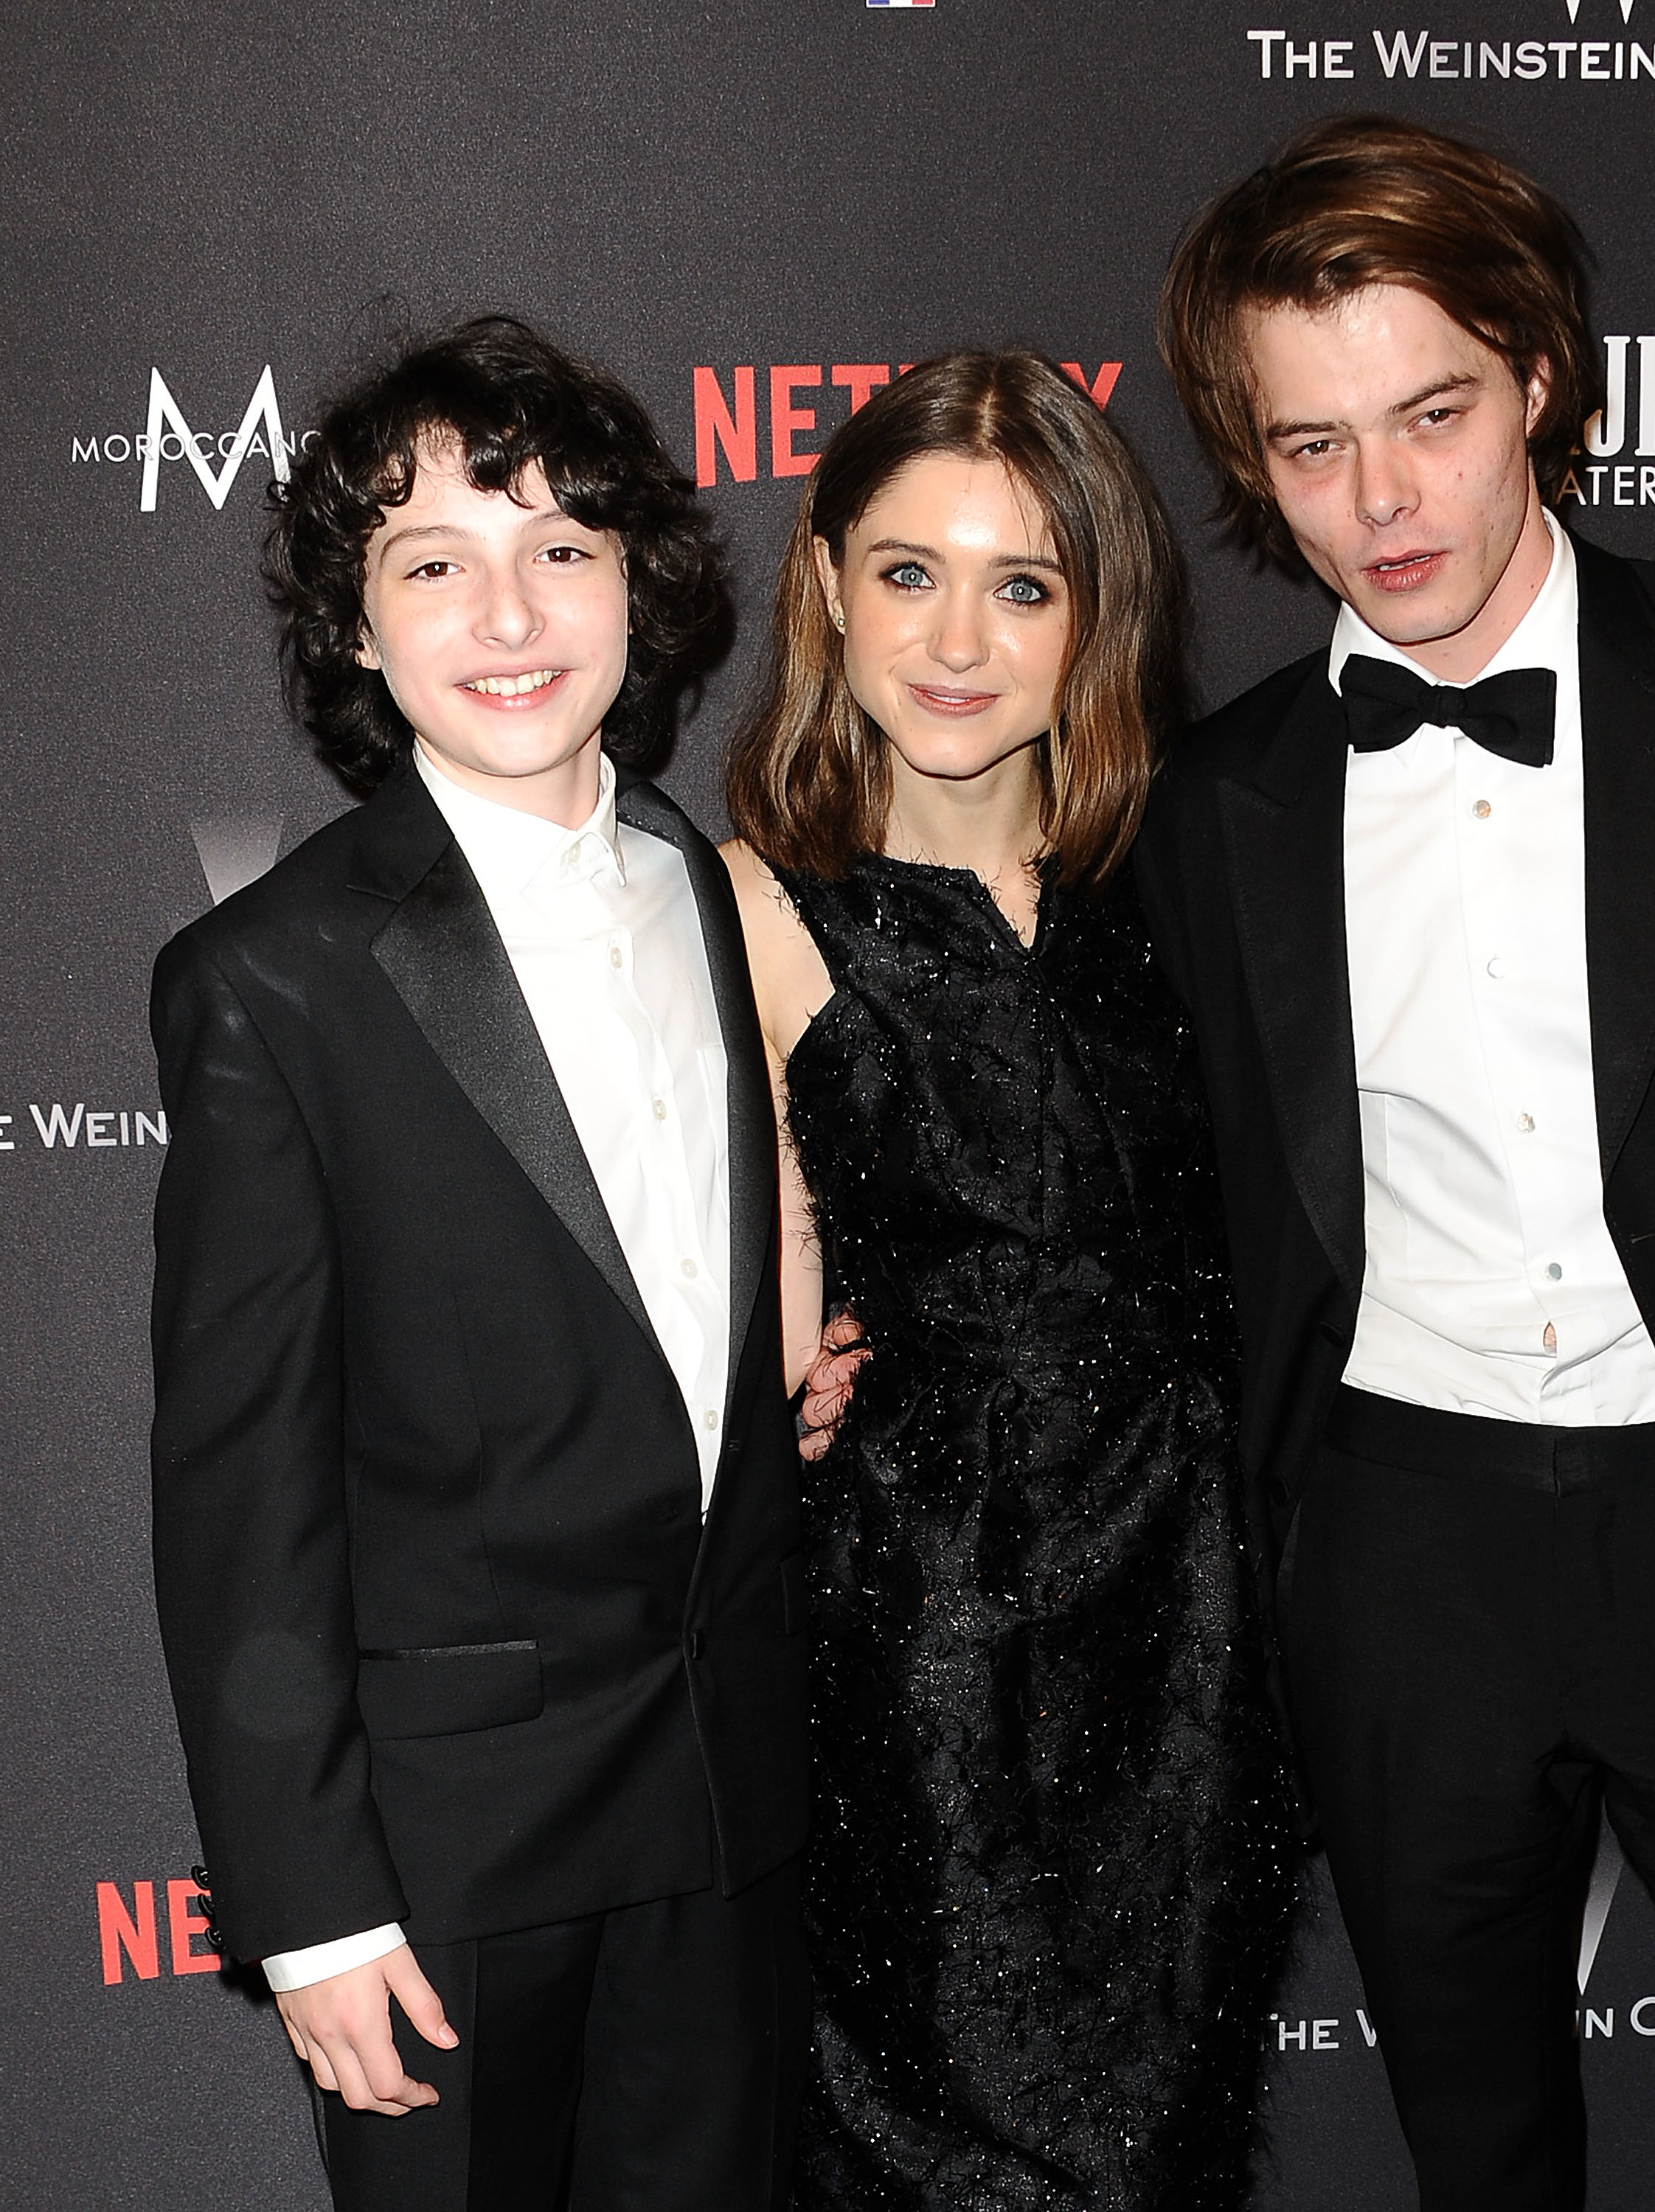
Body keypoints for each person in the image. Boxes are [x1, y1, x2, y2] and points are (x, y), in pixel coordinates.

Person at [1140, 116, 1655, 2212]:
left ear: (1539, 377)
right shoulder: (1215, 803)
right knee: (1481, 2164)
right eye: (1314, 444)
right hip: (1401, 1564)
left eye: (1431, 414)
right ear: (1255, 463)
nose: (1381, 499)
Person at [149, 316, 809, 2212]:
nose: (509, 614)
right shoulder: (270, 979)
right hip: (447, 1861)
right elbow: (241, 1485)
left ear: (638, 591)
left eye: (561, 550)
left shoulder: (710, 891)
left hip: (731, 1809)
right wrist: (310, 1908)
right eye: (434, 564)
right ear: (358, 631)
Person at [721, 351, 1293, 2211]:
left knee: (1158, 2150)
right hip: (913, 1644)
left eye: (1022, 586)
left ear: (1092, 617)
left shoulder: (1199, 876)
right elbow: (730, 1298)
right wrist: (775, 1384)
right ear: (827, 586)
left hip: (1192, 1635)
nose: (959, 641)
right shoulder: (744, 907)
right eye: (910, 573)